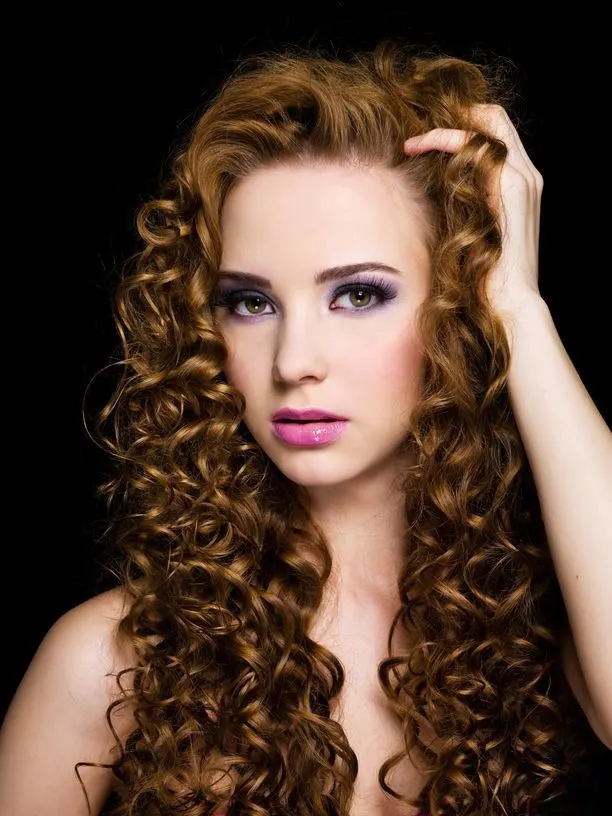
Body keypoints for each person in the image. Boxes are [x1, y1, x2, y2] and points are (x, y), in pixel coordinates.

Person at [0, 39, 610, 816]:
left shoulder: (539, 638)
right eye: (251, 303)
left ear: (458, 304)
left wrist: (519, 309)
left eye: (357, 295)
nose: (294, 361)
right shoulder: (106, 664)